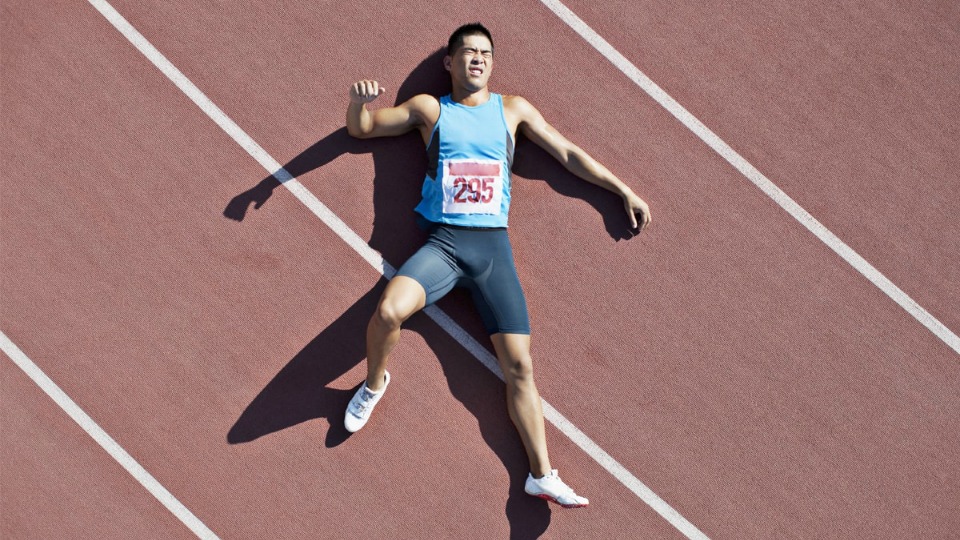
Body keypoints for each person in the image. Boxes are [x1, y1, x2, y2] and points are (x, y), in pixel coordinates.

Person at [343, 23, 651, 509]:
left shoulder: (513, 110)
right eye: (467, 53)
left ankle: (541, 475)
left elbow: (567, 153)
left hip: (492, 254)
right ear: (450, 62)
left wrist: (621, 190)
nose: (477, 60)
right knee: (386, 313)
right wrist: (359, 102)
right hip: (443, 246)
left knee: (521, 367)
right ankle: (374, 382)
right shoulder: (430, 109)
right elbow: (361, 129)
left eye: (485, 53)